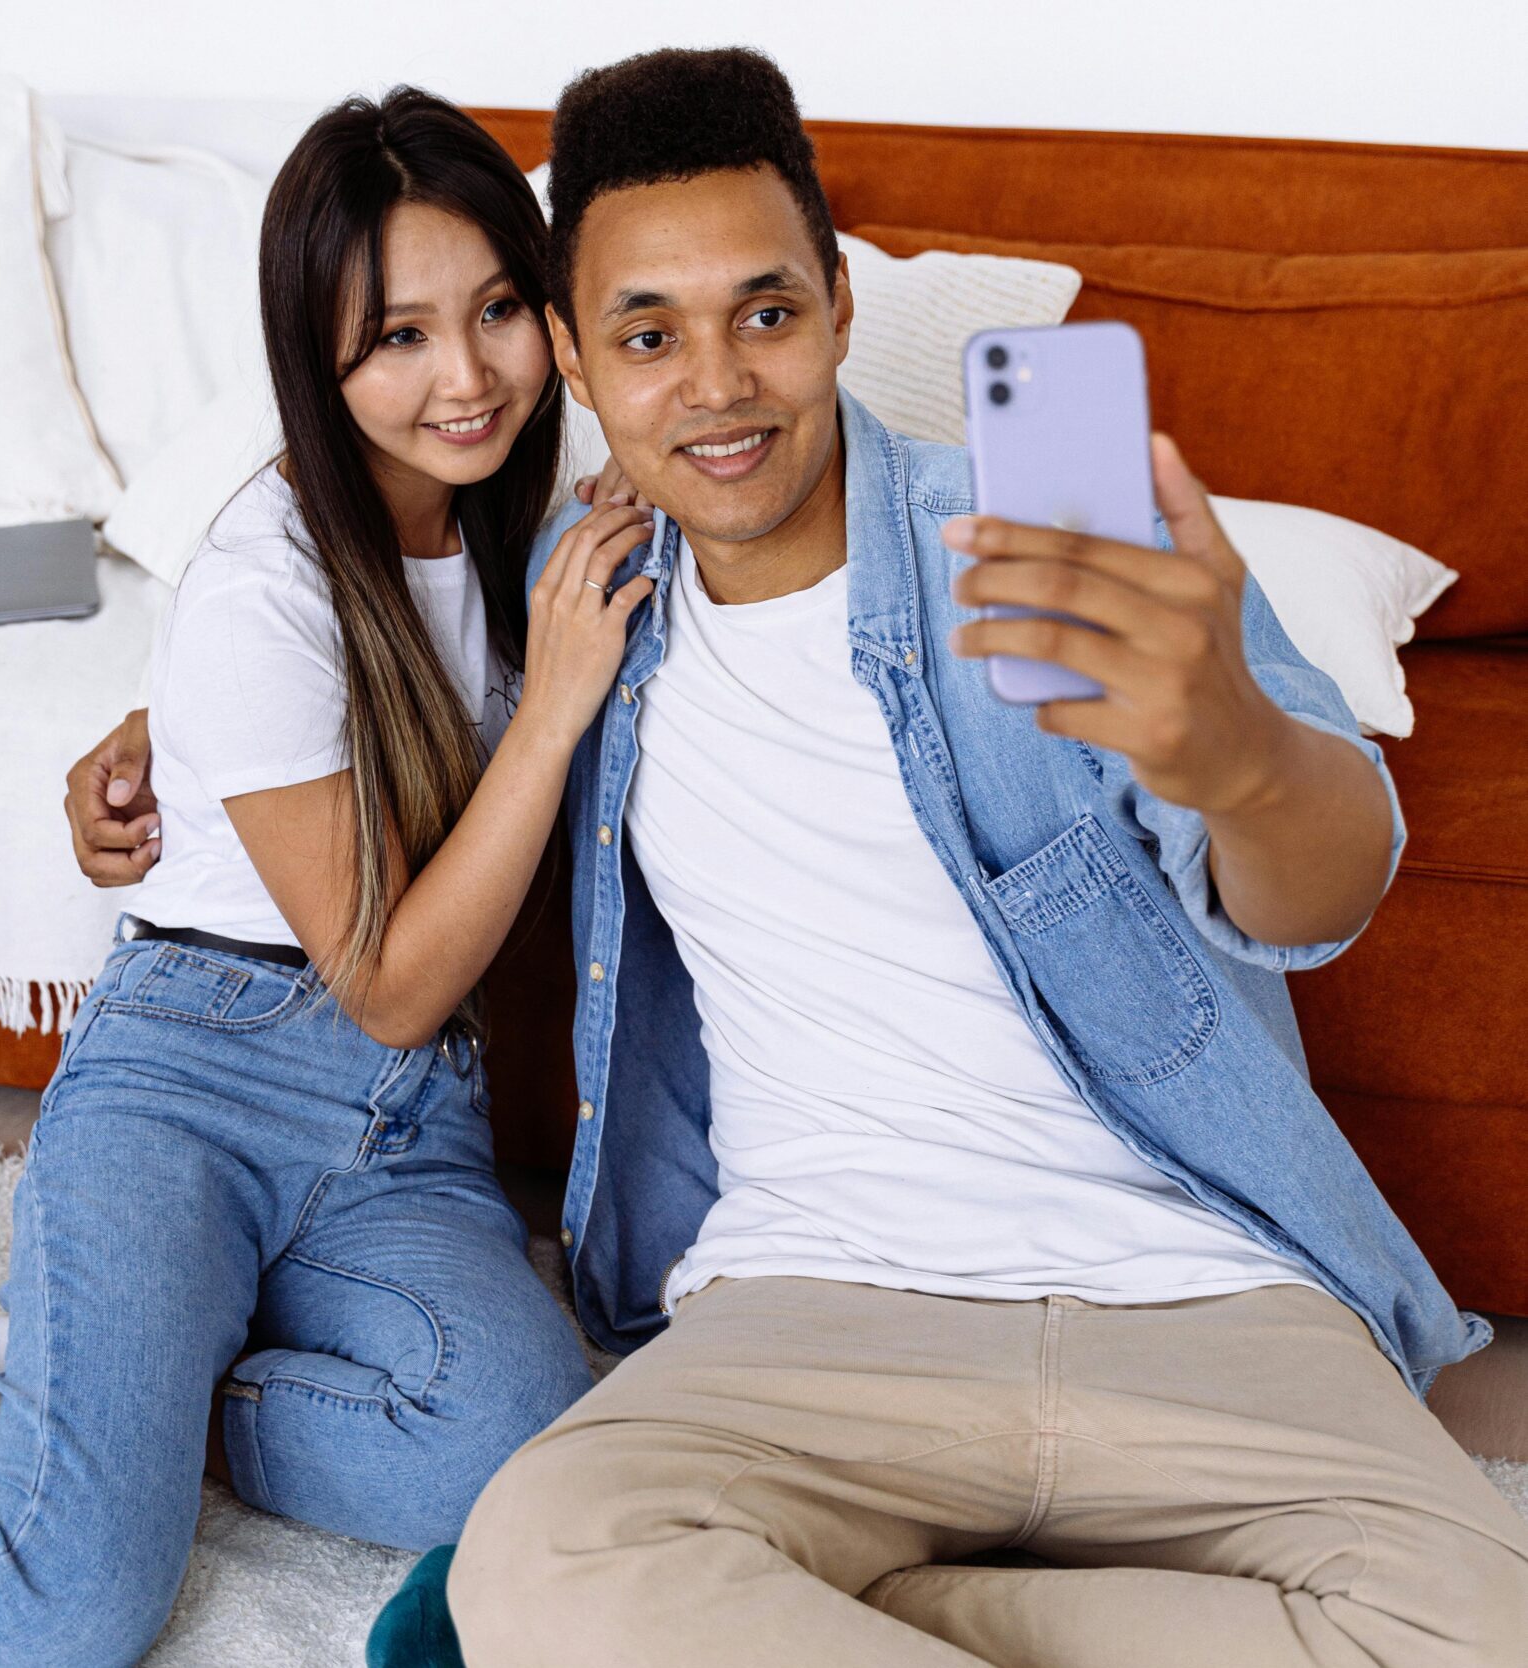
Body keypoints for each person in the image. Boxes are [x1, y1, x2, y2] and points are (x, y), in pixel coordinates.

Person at [434, 46, 1528, 1668]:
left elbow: (1332, 882)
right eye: (649, 336)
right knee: (535, 1559)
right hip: (813, 1312)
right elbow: (355, 625)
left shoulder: (1063, 547)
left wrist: (1237, 752)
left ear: (841, 312)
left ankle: (895, 1616)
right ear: (581, 367)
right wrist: (155, 735)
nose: (718, 384)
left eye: (767, 313)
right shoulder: (579, 597)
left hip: (1198, 1292)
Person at [0, 87, 653, 1668]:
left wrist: (168, 730)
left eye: (494, 312)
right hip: (197, 1076)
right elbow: (394, 979)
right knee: (56, 1608)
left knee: (530, 1450)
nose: (465, 376)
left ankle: (111, 1396)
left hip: (407, 1127)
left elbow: (337, 726)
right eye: (397, 336)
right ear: (318, 358)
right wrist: (554, 703)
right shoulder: (264, 578)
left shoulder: (517, 508)